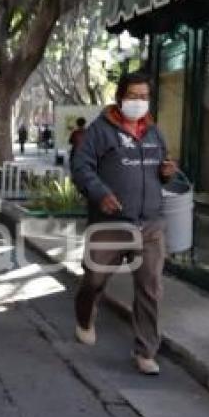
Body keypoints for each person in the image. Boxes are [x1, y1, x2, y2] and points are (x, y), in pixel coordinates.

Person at [71, 71, 176, 375]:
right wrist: (100, 193)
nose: (139, 102)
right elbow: (81, 166)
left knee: (150, 289)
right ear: (119, 97)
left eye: (144, 97)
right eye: (133, 96)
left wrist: (167, 172)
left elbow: (161, 168)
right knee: (94, 280)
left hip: (150, 224)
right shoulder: (100, 131)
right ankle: (84, 317)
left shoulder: (155, 133)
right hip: (111, 223)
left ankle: (145, 351)